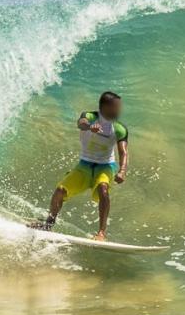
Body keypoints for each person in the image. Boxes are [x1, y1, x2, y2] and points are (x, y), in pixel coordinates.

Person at [29, 91, 129, 241]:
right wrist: (89, 127)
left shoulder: (120, 128)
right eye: (116, 107)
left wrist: (121, 171)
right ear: (105, 107)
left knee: (103, 189)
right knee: (60, 190)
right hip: (85, 164)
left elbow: (123, 152)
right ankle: (48, 225)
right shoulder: (90, 116)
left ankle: (101, 233)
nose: (119, 110)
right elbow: (81, 123)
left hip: (105, 166)